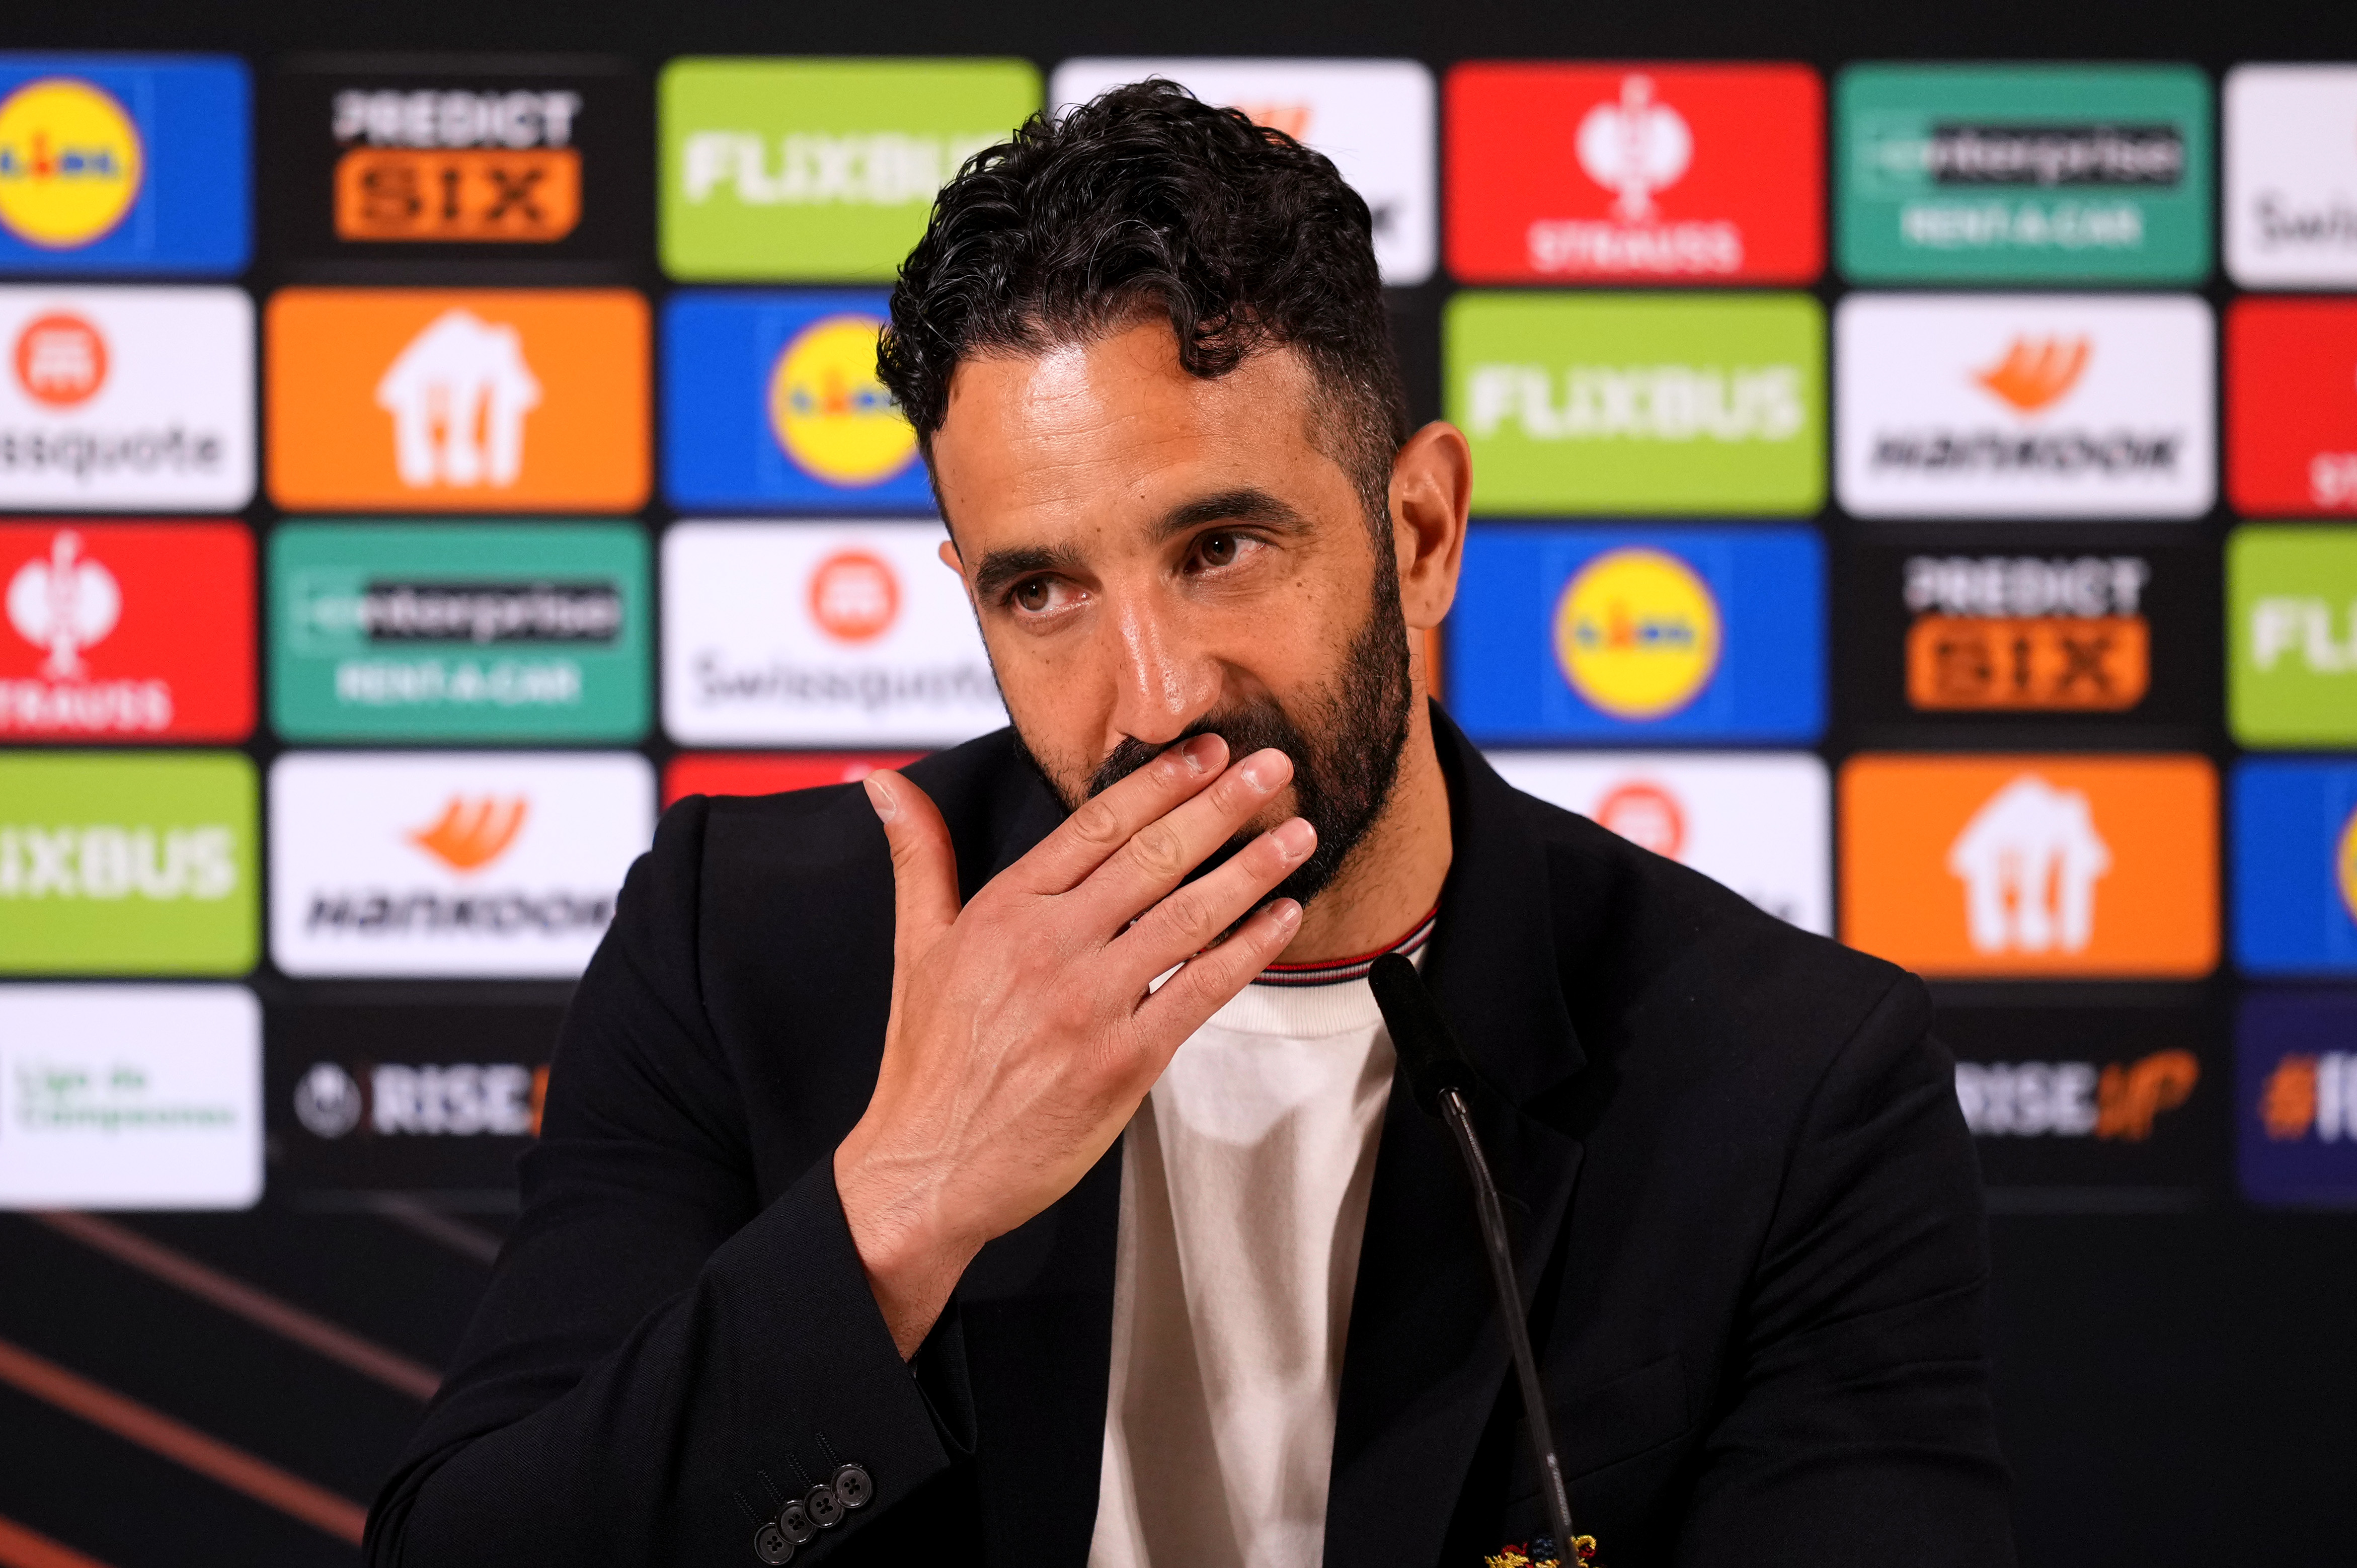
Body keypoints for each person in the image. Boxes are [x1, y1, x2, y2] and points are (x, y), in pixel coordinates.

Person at [365, 82, 2012, 1568]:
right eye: (1042, 590)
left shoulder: (1786, 1078)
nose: (1153, 699)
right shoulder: (744, 950)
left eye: (1219, 548)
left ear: (1420, 532)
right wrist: (900, 1205)